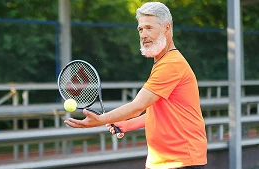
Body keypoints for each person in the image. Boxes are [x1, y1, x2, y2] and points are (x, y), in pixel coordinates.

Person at [64, 2, 207, 169]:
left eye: (149, 28)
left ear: (167, 28)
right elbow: (162, 113)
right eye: (140, 29)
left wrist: (100, 120)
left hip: (182, 161)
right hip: (162, 162)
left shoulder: (171, 64)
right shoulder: (162, 63)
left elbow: (137, 106)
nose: (143, 35)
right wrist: (127, 124)